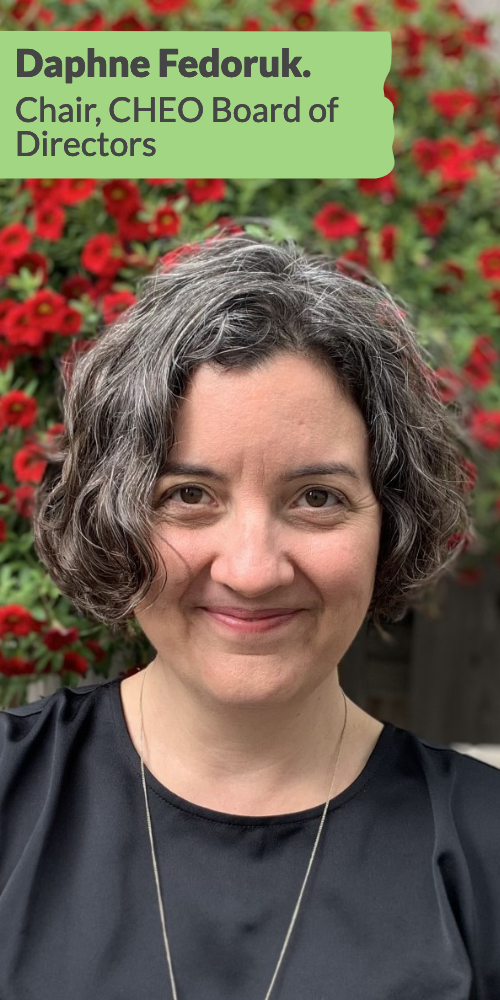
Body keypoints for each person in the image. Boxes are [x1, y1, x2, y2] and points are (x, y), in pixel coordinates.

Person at [1, 232, 499, 1000]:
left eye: (317, 497)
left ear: (390, 523)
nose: (252, 569)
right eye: (189, 496)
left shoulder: (486, 852)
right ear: (116, 519)